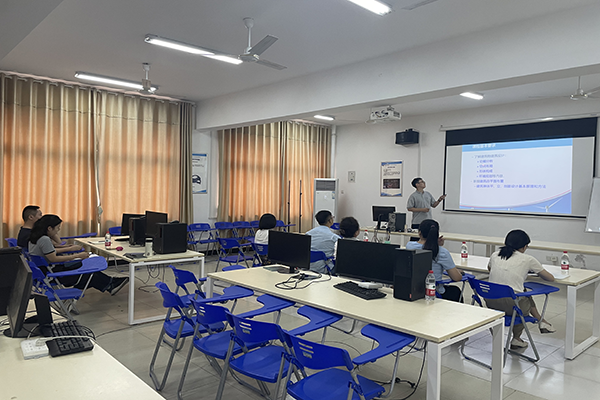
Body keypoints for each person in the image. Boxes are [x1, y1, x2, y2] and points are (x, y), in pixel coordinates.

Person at [486, 229, 556, 349]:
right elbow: (550, 278)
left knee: (522, 293)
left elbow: (489, 269)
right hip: (512, 306)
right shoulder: (528, 259)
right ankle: (519, 336)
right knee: (520, 299)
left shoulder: (495, 255)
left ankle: (541, 321)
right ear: (524, 247)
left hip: (490, 302)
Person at [29, 214, 129, 296]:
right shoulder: (44, 239)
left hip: (44, 272)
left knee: (84, 265)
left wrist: (70, 250)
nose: (58, 231)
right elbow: (54, 258)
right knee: (89, 272)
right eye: (57, 228)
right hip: (52, 274)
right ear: (49, 228)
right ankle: (110, 284)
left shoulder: (35, 238)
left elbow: (51, 251)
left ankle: (111, 283)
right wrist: (77, 256)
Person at [405, 219, 464, 302]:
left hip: (414, 290)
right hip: (433, 292)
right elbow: (457, 278)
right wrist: (438, 245)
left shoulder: (409, 246)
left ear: (419, 233)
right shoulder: (442, 252)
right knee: (455, 291)